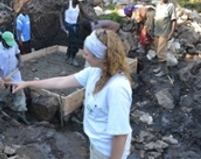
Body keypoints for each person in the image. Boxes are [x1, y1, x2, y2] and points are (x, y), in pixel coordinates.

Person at [8, 29, 133, 159]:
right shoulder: (95, 71)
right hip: (96, 144)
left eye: (86, 54)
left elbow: (120, 135)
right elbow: (61, 82)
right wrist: (27, 84)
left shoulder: (117, 88)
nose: (83, 56)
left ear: (100, 57)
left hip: (107, 152)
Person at [0, 31, 30, 125]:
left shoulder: (13, 44)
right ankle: (3, 107)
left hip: (15, 73)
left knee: (19, 92)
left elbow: (18, 53)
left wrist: (20, 62)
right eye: (8, 44)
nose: (10, 46)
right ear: (3, 41)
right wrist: (1, 76)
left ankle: (21, 113)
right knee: (2, 93)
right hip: (4, 75)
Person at [60, 0, 97, 67]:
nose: (79, 1)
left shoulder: (79, 5)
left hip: (75, 25)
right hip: (68, 25)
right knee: (75, 43)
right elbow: (61, 13)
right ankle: (72, 59)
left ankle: (68, 56)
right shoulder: (67, 4)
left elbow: (83, 14)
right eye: (77, 0)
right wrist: (62, 25)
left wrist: (92, 19)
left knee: (72, 41)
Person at [153, 0, 177, 77]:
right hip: (157, 32)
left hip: (165, 32)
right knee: (157, 51)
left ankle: (164, 70)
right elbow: (156, 18)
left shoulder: (170, 6)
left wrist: (171, 33)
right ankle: (160, 67)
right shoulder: (158, 5)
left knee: (161, 52)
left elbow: (174, 20)